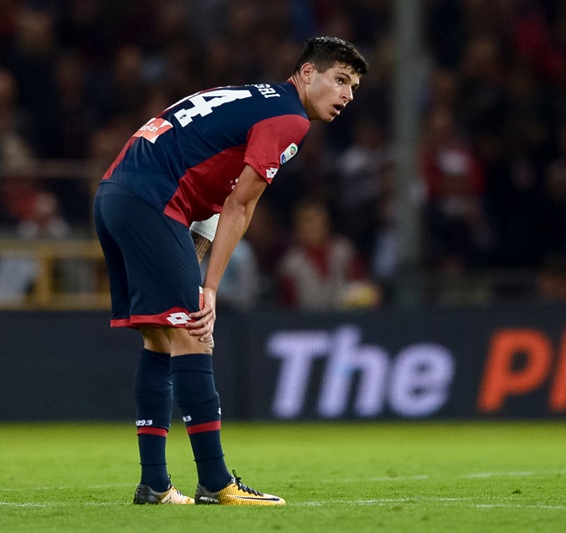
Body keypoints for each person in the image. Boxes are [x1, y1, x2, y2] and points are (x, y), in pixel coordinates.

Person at [93, 36, 368, 506]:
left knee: (161, 337)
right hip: (152, 202)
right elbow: (241, 204)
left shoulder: (249, 98)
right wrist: (211, 288)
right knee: (196, 333)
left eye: (354, 87)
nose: (346, 95)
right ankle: (216, 483)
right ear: (306, 74)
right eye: (339, 79)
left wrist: (193, 266)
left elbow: (209, 197)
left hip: (115, 197)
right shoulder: (289, 118)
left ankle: (155, 484)